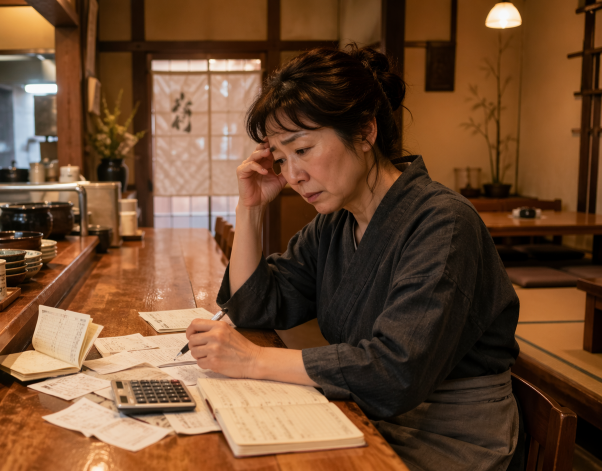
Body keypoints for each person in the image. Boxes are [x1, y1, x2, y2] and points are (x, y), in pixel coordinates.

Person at [184, 46, 521, 471]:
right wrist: (249, 210)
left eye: (302, 149)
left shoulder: (444, 223)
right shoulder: (336, 223)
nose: (292, 176)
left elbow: (397, 372)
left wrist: (253, 359)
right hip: (369, 415)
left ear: (365, 132)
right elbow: (254, 307)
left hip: (447, 437)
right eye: (281, 159)